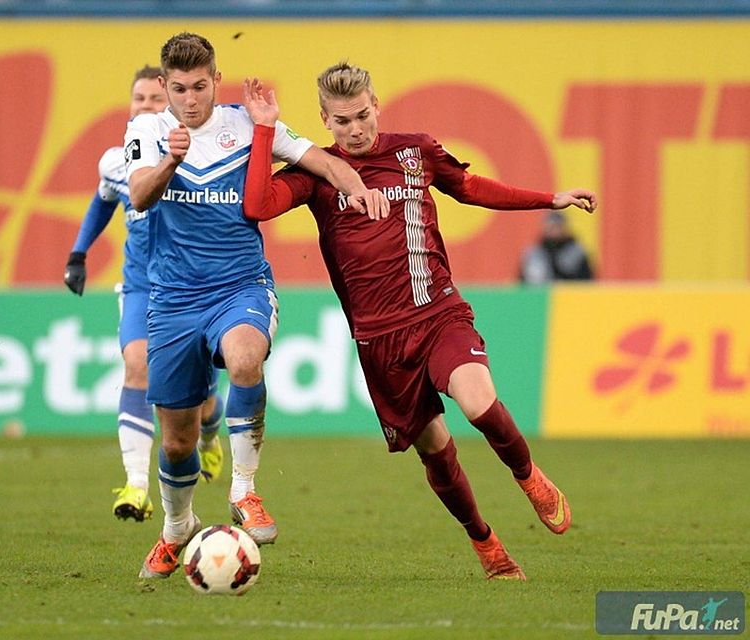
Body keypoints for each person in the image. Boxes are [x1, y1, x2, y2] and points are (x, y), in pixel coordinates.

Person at [242, 63, 598, 580]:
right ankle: (487, 544)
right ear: (325, 120)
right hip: (379, 339)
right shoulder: (317, 175)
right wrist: (264, 129)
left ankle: (529, 477)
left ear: (376, 105)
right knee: (435, 449)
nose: (356, 129)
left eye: (363, 115)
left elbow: (471, 187)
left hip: (437, 313)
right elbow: (256, 204)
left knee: (478, 402)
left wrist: (550, 199)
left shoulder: (415, 150)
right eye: (342, 122)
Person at [125, 34, 387, 579]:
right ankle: (176, 528)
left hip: (239, 286)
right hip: (172, 298)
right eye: (178, 89)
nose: (190, 99)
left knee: (246, 358)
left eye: (200, 86)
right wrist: (171, 163)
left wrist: (357, 186)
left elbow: (319, 159)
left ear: (215, 81)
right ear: (165, 88)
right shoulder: (147, 131)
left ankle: (245, 491)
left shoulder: (241, 124)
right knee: (176, 442)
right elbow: (140, 195)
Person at [64, 65, 226, 524]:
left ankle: (211, 438)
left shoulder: (200, 156)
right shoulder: (117, 162)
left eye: (156, 99)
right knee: (137, 364)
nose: (147, 106)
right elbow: (103, 199)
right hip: (142, 286)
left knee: (203, 405)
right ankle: (136, 484)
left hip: (192, 289)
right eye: (140, 99)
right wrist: (78, 253)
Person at [519, 210, 594, 283]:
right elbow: (522, 284)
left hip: (569, 294)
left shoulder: (577, 253)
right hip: (541, 294)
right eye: (551, 226)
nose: (554, 230)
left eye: (557, 226)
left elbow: (587, 283)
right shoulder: (534, 254)